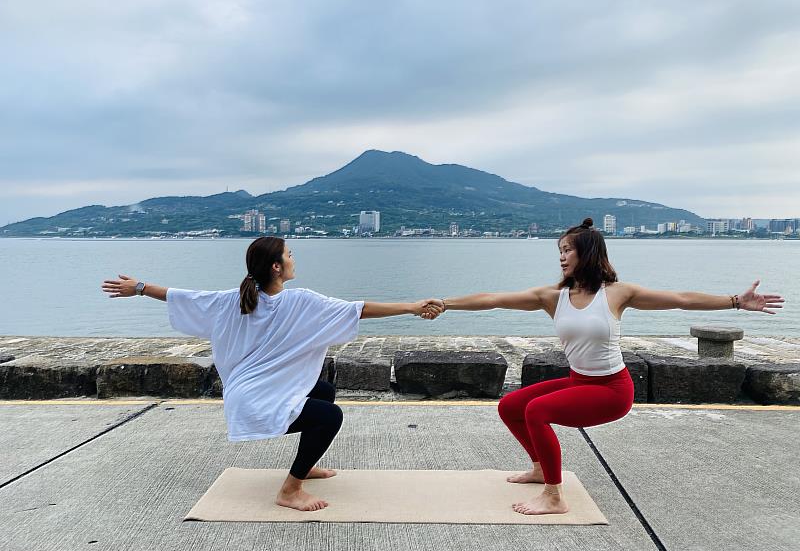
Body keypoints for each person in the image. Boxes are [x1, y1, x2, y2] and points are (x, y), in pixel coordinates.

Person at [431, 217, 784, 516]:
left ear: (588, 253)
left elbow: (680, 299)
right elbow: (492, 300)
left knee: (537, 410)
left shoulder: (617, 294)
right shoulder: (552, 297)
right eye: (560, 252)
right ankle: (540, 470)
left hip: (611, 391)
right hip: (577, 382)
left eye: (567, 250)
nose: (562, 258)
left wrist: (736, 301)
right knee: (511, 406)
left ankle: (554, 497)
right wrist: (446, 303)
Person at [102, 236, 443, 512]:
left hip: (243, 397)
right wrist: (412, 307)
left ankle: (305, 466)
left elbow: (180, 297)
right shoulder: (298, 302)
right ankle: (290, 490)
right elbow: (360, 310)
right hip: (258, 401)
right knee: (329, 416)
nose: (295, 259)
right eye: (290, 255)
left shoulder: (232, 299)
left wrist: (140, 286)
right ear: (277, 267)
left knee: (321, 390)